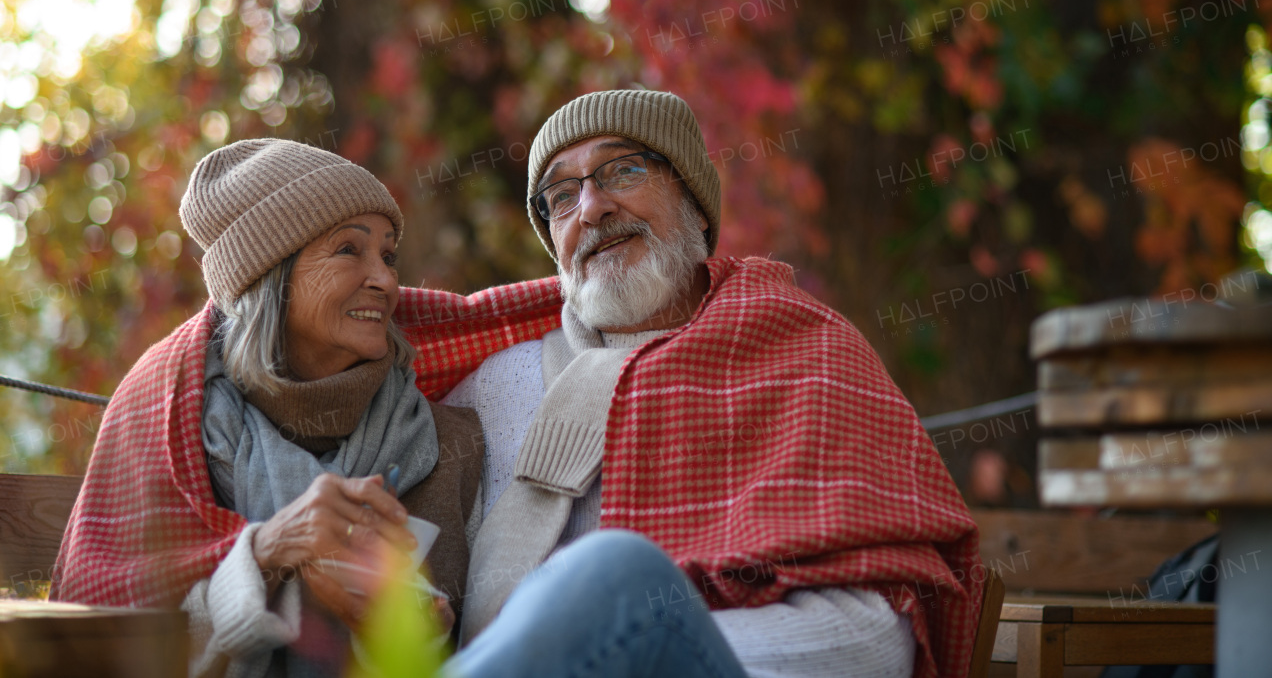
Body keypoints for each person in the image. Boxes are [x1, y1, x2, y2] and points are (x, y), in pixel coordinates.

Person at [429, 89, 983, 678]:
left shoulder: (805, 354)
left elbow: (873, 644)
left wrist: (623, 639)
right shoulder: (490, 391)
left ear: (693, 201)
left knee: (616, 574)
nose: (591, 208)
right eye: (561, 197)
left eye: (622, 170)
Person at [51, 139, 562, 677]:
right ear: (272, 276)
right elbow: (103, 629)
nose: (386, 280)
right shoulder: (169, 420)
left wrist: (408, 634)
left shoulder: (444, 441)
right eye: (349, 250)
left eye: (388, 255)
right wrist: (269, 551)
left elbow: (459, 649)